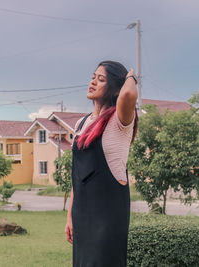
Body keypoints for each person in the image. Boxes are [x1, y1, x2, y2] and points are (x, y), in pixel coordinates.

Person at [65, 60, 138, 267]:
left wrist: (131, 75)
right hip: (82, 213)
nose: (93, 82)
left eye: (101, 79)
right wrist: (70, 216)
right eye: (93, 77)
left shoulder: (120, 120)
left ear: (115, 88)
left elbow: (129, 94)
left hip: (107, 215)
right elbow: (77, 176)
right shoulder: (82, 122)